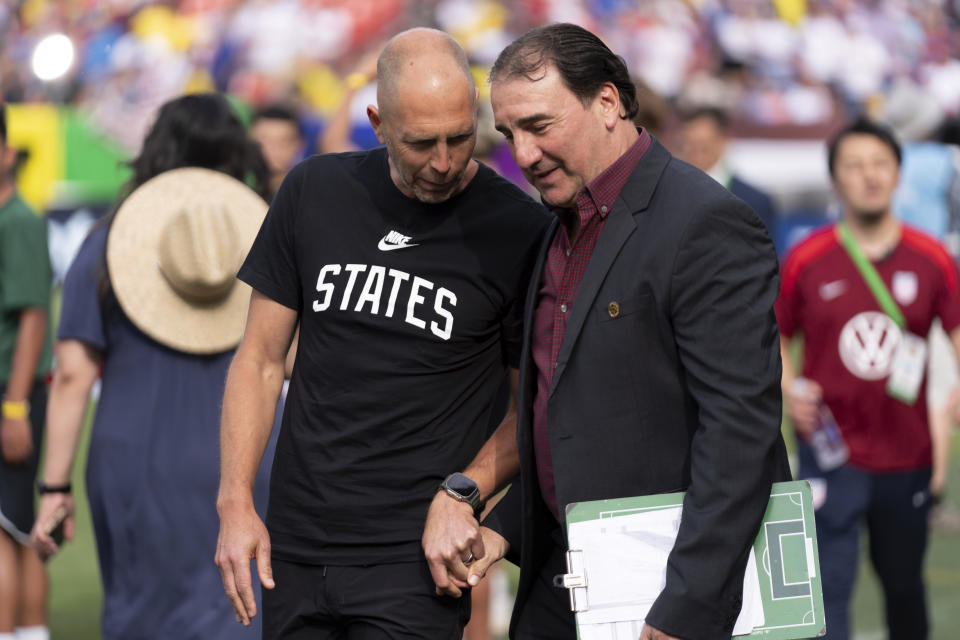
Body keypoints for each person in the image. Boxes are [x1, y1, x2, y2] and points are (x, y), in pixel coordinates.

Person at [422, 23, 791, 640]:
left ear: (609, 103)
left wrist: (689, 605)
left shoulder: (705, 222)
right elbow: (568, 421)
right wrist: (502, 528)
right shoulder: (554, 226)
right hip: (564, 584)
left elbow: (740, 432)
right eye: (511, 133)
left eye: (540, 125)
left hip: (666, 596)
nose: (525, 153)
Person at [214, 28, 549, 640]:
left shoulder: (521, 229)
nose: (445, 162)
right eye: (421, 143)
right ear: (377, 122)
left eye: (459, 136)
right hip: (294, 546)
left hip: (418, 558)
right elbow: (260, 361)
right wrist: (235, 501)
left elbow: (535, 405)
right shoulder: (312, 191)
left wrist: (464, 492)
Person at [29, 92, 275, 640]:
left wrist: (54, 487)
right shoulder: (268, 241)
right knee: (242, 608)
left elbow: (72, 375)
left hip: (134, 458)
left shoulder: (105, 243)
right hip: (249, 447)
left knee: (144, 614)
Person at [777, 117, 960, 640]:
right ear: (835, 178)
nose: (869, 176)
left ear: (899, 174)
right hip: (829, 455)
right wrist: (788, 388)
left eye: (880, 164)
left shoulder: (932, 259)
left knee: (904, 588)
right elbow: (776, 338)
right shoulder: (807, 259)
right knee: (827, 589)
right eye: (854, 166)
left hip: (907, 456)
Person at [0, 105, 53, 640]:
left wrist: (15, 407)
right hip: (14, 394)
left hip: (10, 393)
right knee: (18, 530)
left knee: (6, 533)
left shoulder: (18, 219)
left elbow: (34, 315)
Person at [675, 106, 780, 251]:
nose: (694, 152)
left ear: (723, 140)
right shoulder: (669, 194)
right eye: (688, 145)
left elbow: (766, 263)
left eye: (703, 145)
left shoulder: (753, 202)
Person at [250, 104, 305, 200]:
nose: (275, 149)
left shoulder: (305, 195)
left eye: (284, 142)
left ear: (298, 145)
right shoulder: (236, 191)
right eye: (265, 141)